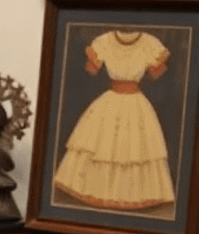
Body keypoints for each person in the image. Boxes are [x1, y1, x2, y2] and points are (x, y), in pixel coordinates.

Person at [52, 28, 175, 211]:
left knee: (133, 148)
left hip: (136, 102)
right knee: (102, 144)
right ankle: (98, 190)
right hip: (110, 101)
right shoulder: (104, 41)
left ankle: (130, 194)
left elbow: (156, 73)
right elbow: (92, 70)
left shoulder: (149, 43)